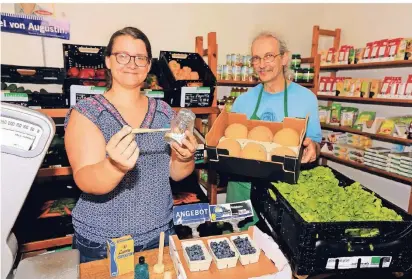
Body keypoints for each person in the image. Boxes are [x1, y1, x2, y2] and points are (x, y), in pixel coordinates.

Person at [64, 27, 198, 263]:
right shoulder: (88, 113)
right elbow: (85, 179)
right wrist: (114, 166)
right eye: (122, 56)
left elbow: (177, 174)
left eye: (140, 58)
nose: (132, 64)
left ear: (148, 66)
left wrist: (185, 157)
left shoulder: (165, 112)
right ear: (108, 60)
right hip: (102, 242)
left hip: (159, 234)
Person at [226, 32, 322, 229]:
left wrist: (313, 148)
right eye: (256, 58)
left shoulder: (306, 99)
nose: (262, 64)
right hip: (241, 190)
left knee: (280, 251)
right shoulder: (242, 101)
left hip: (282, 194)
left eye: (269, 56)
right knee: (236, 246)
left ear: (284, 58)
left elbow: (315, 143)